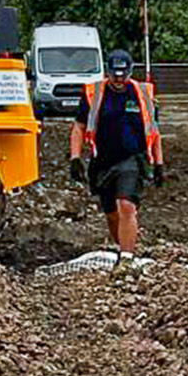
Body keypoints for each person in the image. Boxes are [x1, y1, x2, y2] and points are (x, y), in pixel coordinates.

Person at [69, 46, 165, 254]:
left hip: (133, 158)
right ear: (108, 72)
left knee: (126, 205)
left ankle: (127, 258)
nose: (119, 80)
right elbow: (79, 127)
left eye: (123, 76)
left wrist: (159, 163)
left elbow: (154, 131)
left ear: (130, 72)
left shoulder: (142, 94)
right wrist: (75, 158)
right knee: (111, 213)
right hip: (103, 160)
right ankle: (120, 246)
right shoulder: (94, 94)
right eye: (115, 76)